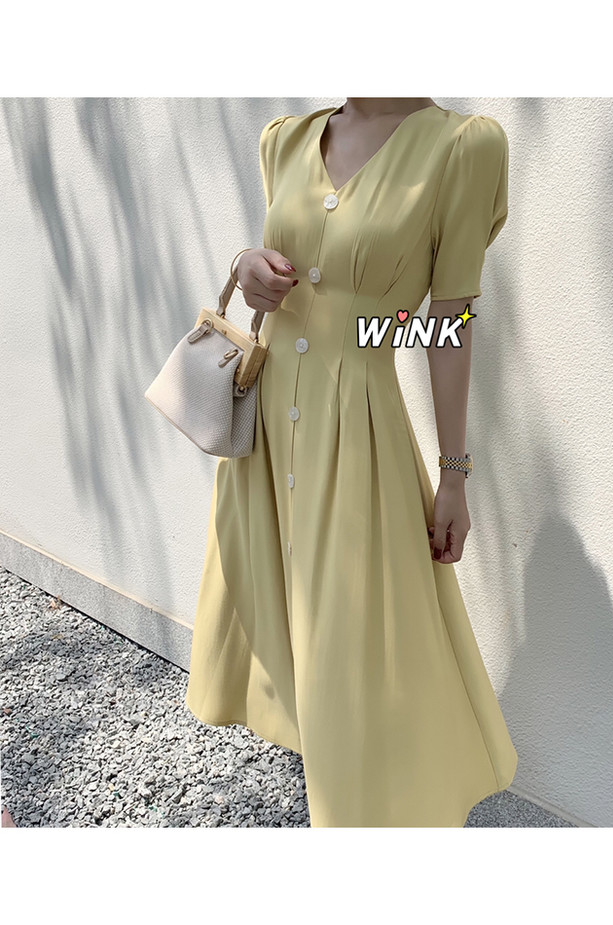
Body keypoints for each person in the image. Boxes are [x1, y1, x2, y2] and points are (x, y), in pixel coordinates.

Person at [184, 97, 518, 827]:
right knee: (287, 618)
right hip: (266, 427)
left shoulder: (462, 149)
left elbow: (448, 324)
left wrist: (454, 473)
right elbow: (287, 265)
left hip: (357, 431)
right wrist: (245, 265)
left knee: (355, 637)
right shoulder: (286, 140)